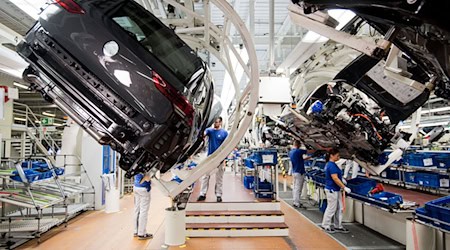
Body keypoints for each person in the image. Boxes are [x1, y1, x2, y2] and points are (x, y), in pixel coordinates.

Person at [197, 117, 229, 202]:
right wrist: (202, 132)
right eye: (214, 122)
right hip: (210, 158)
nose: (215, 124)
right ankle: (202, 194)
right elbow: (204, 133)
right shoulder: (210, 131)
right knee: (205, 176)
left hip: (220, 159)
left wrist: (225, 159)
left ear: (221, 122)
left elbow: (227, 146)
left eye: (217, 122)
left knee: (219, 178)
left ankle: (219, 195)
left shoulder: (224, 133)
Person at [321, 148, 351, 234]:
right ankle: (325, 225)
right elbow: (335, 178)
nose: (338, 157)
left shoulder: (331, 164)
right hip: (332, 190)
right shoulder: (331, 165)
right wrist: (344, 187)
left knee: (339, 208)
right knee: (331, 208)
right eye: (337, 155)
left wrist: (342, 181)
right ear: (332, 155)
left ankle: (338, 226)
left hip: (336, 190)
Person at [289, 140, 314, 208]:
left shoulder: (291, 152)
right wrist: (320, 149)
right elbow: (309, 151)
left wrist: (309, 157)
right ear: (299, 145)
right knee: (298, 188)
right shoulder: (298, 151)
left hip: (294, 172)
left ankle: (295, 201)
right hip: (299, 172)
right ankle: (297, 203)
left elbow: (300, 160)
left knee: (295, 187)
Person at [134, 172, 153, 240]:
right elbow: (147, 178)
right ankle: (141, 233)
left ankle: (135, 231)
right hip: (143, 188)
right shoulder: (147, 164)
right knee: (143, 211)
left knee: (137, 209)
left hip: (136, 186)